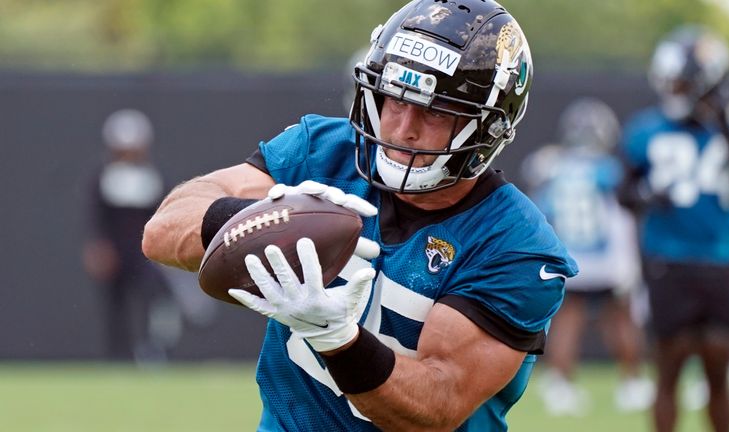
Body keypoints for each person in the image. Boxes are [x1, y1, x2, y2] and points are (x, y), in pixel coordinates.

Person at [142, 1, 577, 430]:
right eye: (394, 99)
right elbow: (162, 231)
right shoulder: (326, 153)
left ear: (488, 128)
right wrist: (265, 220)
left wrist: (337, 338)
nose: (403, 127)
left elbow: (436, 404)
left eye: (435, 111)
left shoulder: (514, 245)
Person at [617, 26, 729, 432]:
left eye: (682, 81)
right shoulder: (646, 127)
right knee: (669, 366)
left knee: (719, 367)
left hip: (720, 258)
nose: (673, 89)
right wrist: (649, 196)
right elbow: (624, 191)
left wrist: (723, 119)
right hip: (667, 259)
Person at [522, 98, 653, 415]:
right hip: (605, 258)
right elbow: (623, 212)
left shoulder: (553, 168)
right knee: (619, 319)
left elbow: (541, 213)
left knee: (567, 320)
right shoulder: (608, 171)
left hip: (569, 256)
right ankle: (632, 383)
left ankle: (561, 385)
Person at [82, 108, 178, 363]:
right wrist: (99, 247)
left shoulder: (154, 176)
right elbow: (97, 216)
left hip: (145, 252)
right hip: (116, 250)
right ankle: (118, 355)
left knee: (151, 298)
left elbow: (163, 212)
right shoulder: (103, 177)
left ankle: (151, 350)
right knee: (116, 304)